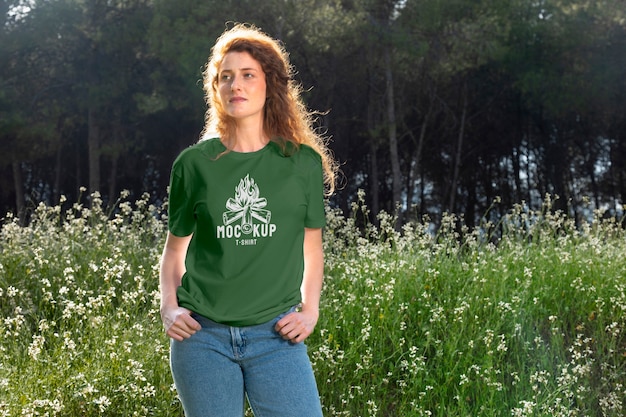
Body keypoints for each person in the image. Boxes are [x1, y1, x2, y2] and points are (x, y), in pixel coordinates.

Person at [159, 23, 338, 417]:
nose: (235, 85)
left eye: (247, 75)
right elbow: (174, 252)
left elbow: (312, 248)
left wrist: (310, 310)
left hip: (276, 337)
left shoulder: (301, 163)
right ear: (215, 89)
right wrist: (169, 307)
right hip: (202, 339)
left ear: (270, 85)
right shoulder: (193, 164)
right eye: (226, 77)